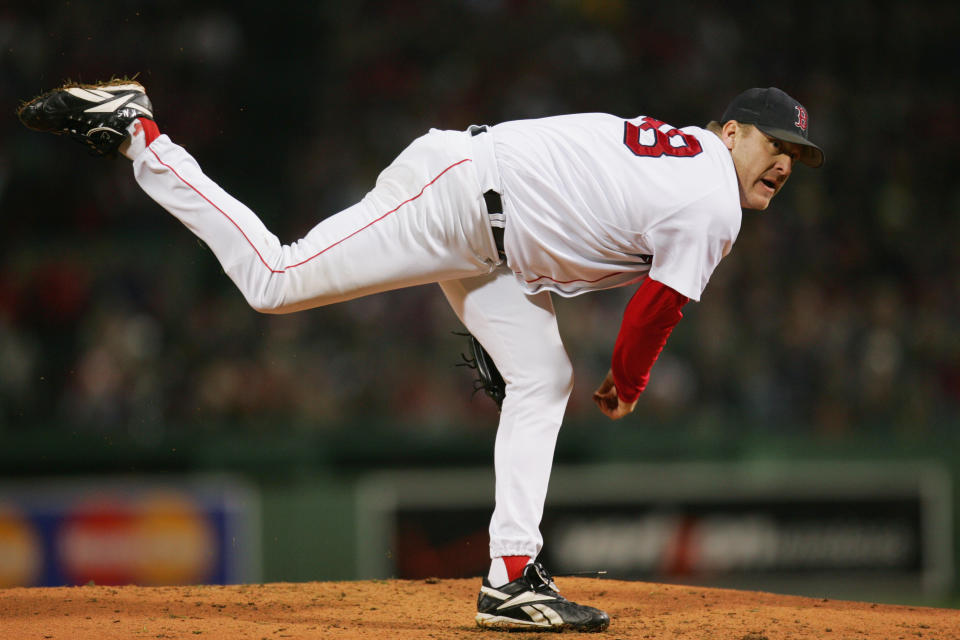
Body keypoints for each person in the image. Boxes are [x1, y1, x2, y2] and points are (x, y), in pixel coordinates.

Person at [19, 82, 823, 632]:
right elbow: (658, 309)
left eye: (798, 152)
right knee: (275, 280)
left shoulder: (685, 157)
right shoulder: (716, 192)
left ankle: (512, 577)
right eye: (775, 141)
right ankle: (139, 133)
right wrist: (631, 384)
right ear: (731, 133)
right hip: (460, 201)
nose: (786, 160)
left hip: (491, 234)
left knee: (542, 377)